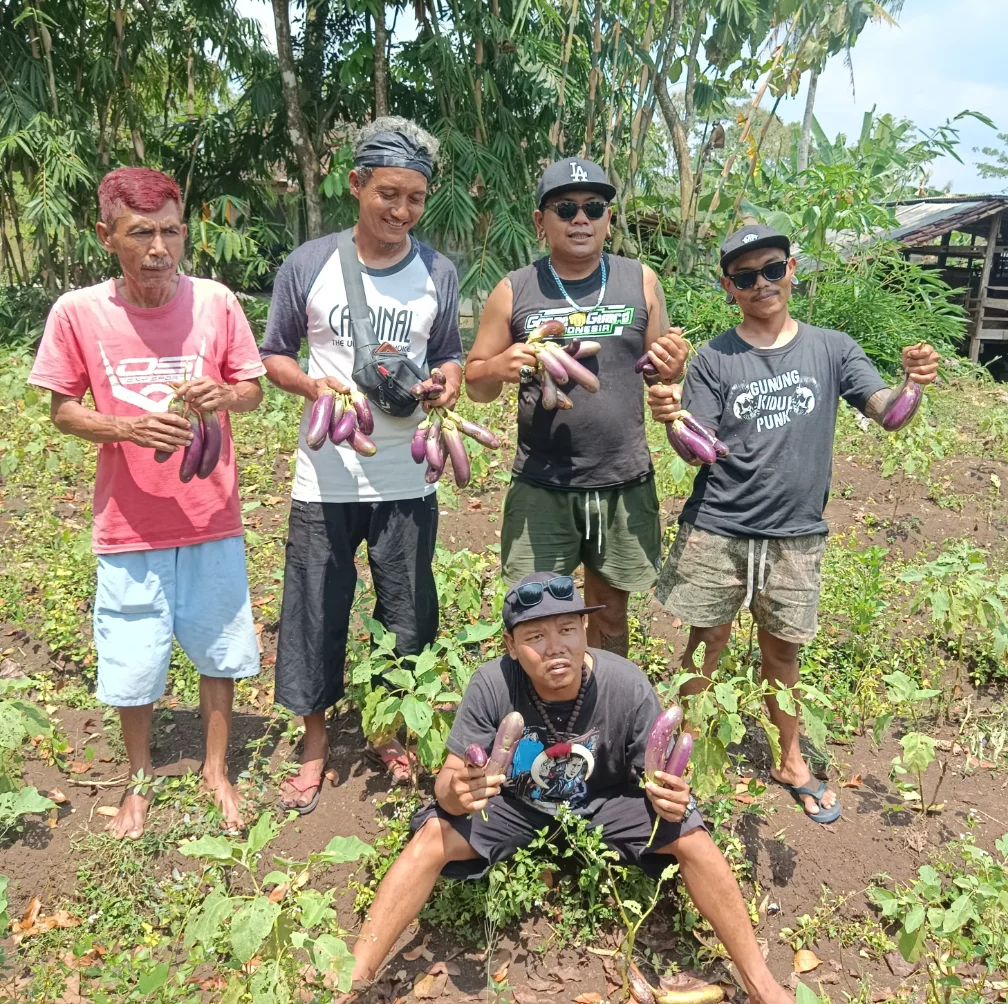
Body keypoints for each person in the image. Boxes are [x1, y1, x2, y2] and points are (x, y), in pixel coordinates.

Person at [342, 571, 794, 1004]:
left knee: (692, 836)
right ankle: (350, 982)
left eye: (566, 629)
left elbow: (657, 777)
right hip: (514, 805)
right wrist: (455, 792)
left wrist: (674, 797)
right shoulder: (491, 684)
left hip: (606, 802)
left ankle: (761, 985)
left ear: (584, 628)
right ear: (511, 646)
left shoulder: (625, 684)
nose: (555, 648)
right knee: (430, 839)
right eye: (535, 637)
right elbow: (448, 780)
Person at [648, 224, 940, 824]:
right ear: (729, 287)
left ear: (792, 270)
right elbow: (694, 449)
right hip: (720, 526)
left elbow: (886, 414)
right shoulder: (713, 359)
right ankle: (677, 760)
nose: (762, 284)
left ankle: (790, 761)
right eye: (746, 277)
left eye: (772, 269)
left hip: (796, 534)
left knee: (783, 654)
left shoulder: (833, 349)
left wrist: (911, 385)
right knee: (707, 643)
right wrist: (671, 414)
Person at [28, 167, 266, 839]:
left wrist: (226, 395)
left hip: (211, 515)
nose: (159, 249)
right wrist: (126, 428)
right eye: (140, 234)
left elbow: (250, 388)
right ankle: (138, 781)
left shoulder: (216, 303)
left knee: (221, 647)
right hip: (129, 523)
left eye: (170, 231)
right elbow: (63, 411)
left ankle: (215, 768)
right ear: (107, 236)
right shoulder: (79, 313)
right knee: (133, 659)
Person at [260, 117, 463, 807]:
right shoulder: (309, 264)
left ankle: (388, 727)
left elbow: (450, 353)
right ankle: (314, 744)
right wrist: (313, 385)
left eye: (414, 198)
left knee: (406, 609)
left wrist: (451, 380)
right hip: (326, 475)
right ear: (356, 185)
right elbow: (274, 355)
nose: (401, 211)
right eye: (387, 194)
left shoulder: (438, 271)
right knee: (315, 607)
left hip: (407, 473)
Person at [465, 158, 689, 657]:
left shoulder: (642, 281)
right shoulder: (513, 289)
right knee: (539, 614)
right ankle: (542, 717)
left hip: (622, 480)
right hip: (542, 484)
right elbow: (476, 383)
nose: (581, 219)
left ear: (609, 218)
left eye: (594, 207)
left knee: (610, 611)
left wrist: (673, 367)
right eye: (565, 208)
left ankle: (605, 708)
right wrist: (502, 364)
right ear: (540, 221)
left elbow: (660, 374)